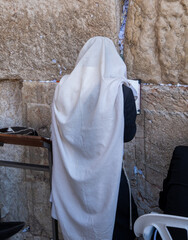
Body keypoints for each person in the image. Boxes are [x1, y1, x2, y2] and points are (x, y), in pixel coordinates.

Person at [51, 36, 138, 240]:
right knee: (117, 225)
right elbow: (127, 135)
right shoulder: (120, 90)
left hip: (70, 179)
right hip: (108, 178)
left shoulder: (63, 89)